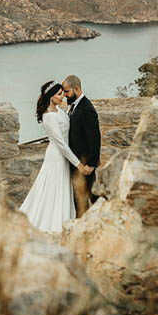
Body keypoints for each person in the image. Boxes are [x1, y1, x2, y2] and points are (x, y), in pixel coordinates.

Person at [19, 80, 93, 232]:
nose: (63, 97)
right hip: (57, 157)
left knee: (62, 188)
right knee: (54, 190)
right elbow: (61, 144)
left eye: (63, 93)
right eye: (59, 94)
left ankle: (65, 220)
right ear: (51, 97)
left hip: (63, 156)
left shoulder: (58, 110)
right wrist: (78, 164)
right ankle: (54, 225)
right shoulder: (49, 116)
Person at [62, 75, 101, 218]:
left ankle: (102, 222)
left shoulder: (86, 108)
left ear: (76, 89)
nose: (65, 95)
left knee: (91, 196)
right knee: (80, 198)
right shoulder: (74, 106)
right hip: (77, 162)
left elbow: (95, 138)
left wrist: (91, 164)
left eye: (67, 92)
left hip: (85, 164)